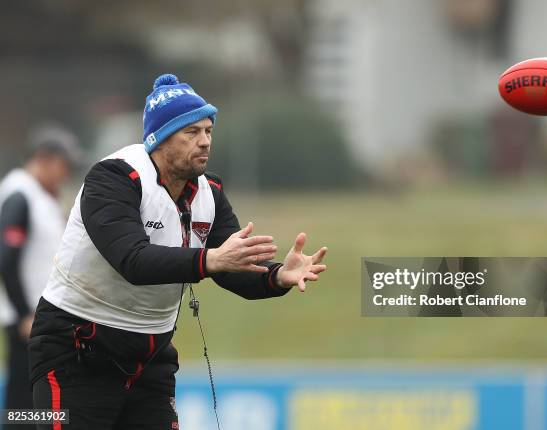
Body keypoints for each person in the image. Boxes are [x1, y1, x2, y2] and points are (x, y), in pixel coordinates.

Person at [28, 74, 328, 429]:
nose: (205, 142)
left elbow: (232, 266)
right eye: (192, 132)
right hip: (76, 352)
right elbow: (134, 261)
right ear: (160, 138)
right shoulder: (112, 179)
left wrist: (277, 276)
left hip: (149, 359)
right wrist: (211, 260)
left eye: (209, 131)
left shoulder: (210, 192)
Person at [0, 125, 80, 430]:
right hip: (29, 322)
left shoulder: (40, 195)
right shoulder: (20, 195)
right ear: (44, 159)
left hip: (42, 322)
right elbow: (7, 260)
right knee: (23, 405)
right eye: (63, 164)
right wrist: (23, 314)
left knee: (39, 406)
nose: (66, 172)